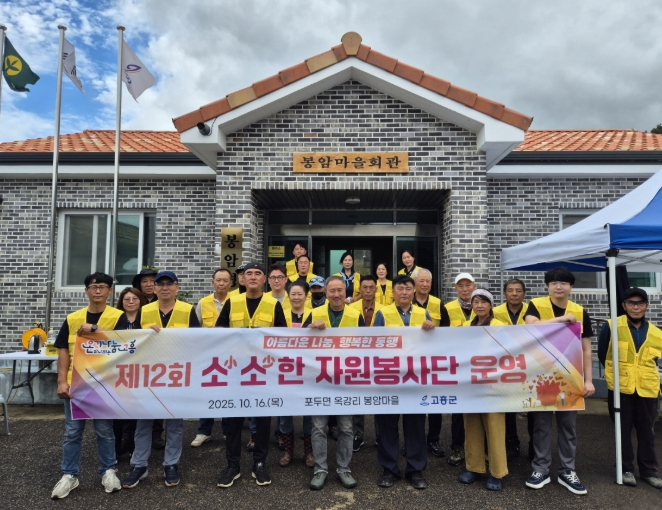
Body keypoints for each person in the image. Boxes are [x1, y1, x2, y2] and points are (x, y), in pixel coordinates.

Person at [122, 271, 201, 490]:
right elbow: (131, 341)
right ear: (154, 288)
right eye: (160, 284)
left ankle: (171, 464)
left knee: (174, 423)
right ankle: (139, 465)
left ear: (177, 287)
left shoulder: (187, 310)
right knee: (143, 422)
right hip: (149, 374)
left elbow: (197, 342)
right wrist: (142, 332)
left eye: (169, 284)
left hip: (177, 374)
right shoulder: (144, 310)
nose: (165, 287)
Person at [51, 272, 126, 499]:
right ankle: (69, 475)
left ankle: (108, 471)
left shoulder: (118, 316)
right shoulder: (72, 318)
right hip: (77, 385)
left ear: (110, 291)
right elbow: (63, 350)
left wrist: (94, 329)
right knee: (72, 432)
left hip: (105, 385)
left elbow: (125, 345)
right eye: (94, 287)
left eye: (103, 287)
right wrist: (61, 381)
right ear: (86, 291)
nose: (98, 291)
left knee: (105, 431)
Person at [215, 263, 287, 488]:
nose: (253, 277)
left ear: (264, 279)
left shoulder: (273, 304)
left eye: (258, 273)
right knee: (234, 422)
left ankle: (260, 464)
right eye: (249, 274)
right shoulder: (232, 302)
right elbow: (218, 331)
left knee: (263, 421)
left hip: (263, 372)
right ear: (242, 279)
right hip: (236, 371)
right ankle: (232, 465)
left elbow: (283, 336)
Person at [524, 267, 594, 495]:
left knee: (568, 426)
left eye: (563, 282)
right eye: (554, 282)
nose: (558, 286)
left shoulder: (580, 311)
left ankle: (567, 471)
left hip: (570, 377)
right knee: (541, 426)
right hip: (542, 376)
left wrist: (589, 380)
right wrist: (562, 319)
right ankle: (540, 469)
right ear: (548, 286)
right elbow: (530, 326)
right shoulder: (536, 304)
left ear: (570, 287)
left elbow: (586, 349)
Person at [372, 275, 435, 490]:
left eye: (408, 288)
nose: (405, 292)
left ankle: (415, 469)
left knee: (415, 425)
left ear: (414, 291)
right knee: (387, 426)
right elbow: (374, 345)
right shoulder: (383, 313)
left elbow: (433, 345)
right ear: (393, 292)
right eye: (400, 288)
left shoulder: (423, 313)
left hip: (414, 379)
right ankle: (389, 469)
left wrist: (432, 328)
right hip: (389, 378)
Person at [597, 287, 662, 489]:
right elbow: (602, 354)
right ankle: (625, 469)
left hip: (647, 388)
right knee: (622, 431)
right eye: (631, 303)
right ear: (624, 305)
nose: (636, 307)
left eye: (640, 303)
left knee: (647, 432)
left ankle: (649, 471)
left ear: (646, 306)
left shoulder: (656, 333)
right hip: (621, 388)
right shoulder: (611, 326)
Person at [304, 275, 363, 490]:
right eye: (332, 291)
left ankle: (343, 468)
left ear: (345, 292)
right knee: (318, 427)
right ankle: (320, 469)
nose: (336, 294)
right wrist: (310, 327)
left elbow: (367, 346)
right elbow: (297, 342)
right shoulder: (314, 313)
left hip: (346, 380)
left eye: (340, 290)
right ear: (325, 292)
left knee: (346, 427)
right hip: (320, 379)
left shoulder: (356, 315)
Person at [458, 289, 508, 491]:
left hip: (493, 385)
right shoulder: (464, 326)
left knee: (495, 429)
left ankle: (497, 472)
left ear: (491, 305)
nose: (479, 306)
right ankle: (474, 467)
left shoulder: (500, 326)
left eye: (484, 302)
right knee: (471, 428)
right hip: (470, 385)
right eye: (476, 302)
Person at [411, 268, 450, 459]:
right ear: (414, 283)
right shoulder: (406, 301)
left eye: (428, 281)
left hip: (433, 361)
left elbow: (447, 330)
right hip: (411, 362)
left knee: (435, 403)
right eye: (421, 281)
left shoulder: (438, 303)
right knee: (412, 404)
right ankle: (413, 441)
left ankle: (433, 439)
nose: (425, 284)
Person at [191, 268, 232, 448]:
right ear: (213, 282)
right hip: (209, 356)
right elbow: (196, 329)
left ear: (231, 283)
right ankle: (204, 431)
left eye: (225, 280)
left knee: (229, 392)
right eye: (218, 280)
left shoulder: (236, 301)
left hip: (231, 356)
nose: (221, 283)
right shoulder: (203, 302)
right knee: (207, 392)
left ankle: (228, 430)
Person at [277, 281, 314, 468]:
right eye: (293, 294)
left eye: (300, 294)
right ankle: (288, 451)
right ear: (288, 295)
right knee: (285, 412)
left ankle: (309, 451)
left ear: (306, 296)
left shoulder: (316, 314)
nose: (297, 297)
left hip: (309, 371)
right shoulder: (280, 314)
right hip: (285, 370)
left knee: (309, 412)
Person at [492, 278, 530, 460]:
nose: (514, 294)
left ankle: (534, 445)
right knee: (507, 408)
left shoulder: (532, 312)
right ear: (504, 293)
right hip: (503, 367)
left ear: (524, 293)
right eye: (510, 290)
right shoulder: (495, 312)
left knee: (532, 406)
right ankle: (511, 443)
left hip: (529, 366)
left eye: (518, 290)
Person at [444, 272, 476, 467]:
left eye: (468, 285)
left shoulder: (484, 306)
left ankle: (480, 450)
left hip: (479, 365)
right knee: (457, 410)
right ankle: (457, 447)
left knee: (479, 408)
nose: (465, 289)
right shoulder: (447, 308)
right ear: (456, 288)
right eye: (461, 286)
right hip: (457, 365)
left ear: (474, 286)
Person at [349, 275, 383, 451]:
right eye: (365, 287)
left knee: (379, 398)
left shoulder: (385, 310)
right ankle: (358, 434)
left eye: (371, 287)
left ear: (376, 289)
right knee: (357, 397)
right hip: (356, 359)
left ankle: (380, 435)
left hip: (379, 360)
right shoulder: (351, 309)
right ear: (360, 290)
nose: (368, 291)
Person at [113, 287, 147, 458]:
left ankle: (132, 446)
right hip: (118, 372)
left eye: (135, 298)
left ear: (141, 301)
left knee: (136, 411)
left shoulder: (147, 318)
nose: (131, 302)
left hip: (140, 371)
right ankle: (116, 448)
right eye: (127, 299)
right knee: (117, 412)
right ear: (122, 302)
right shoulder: (115, 319)